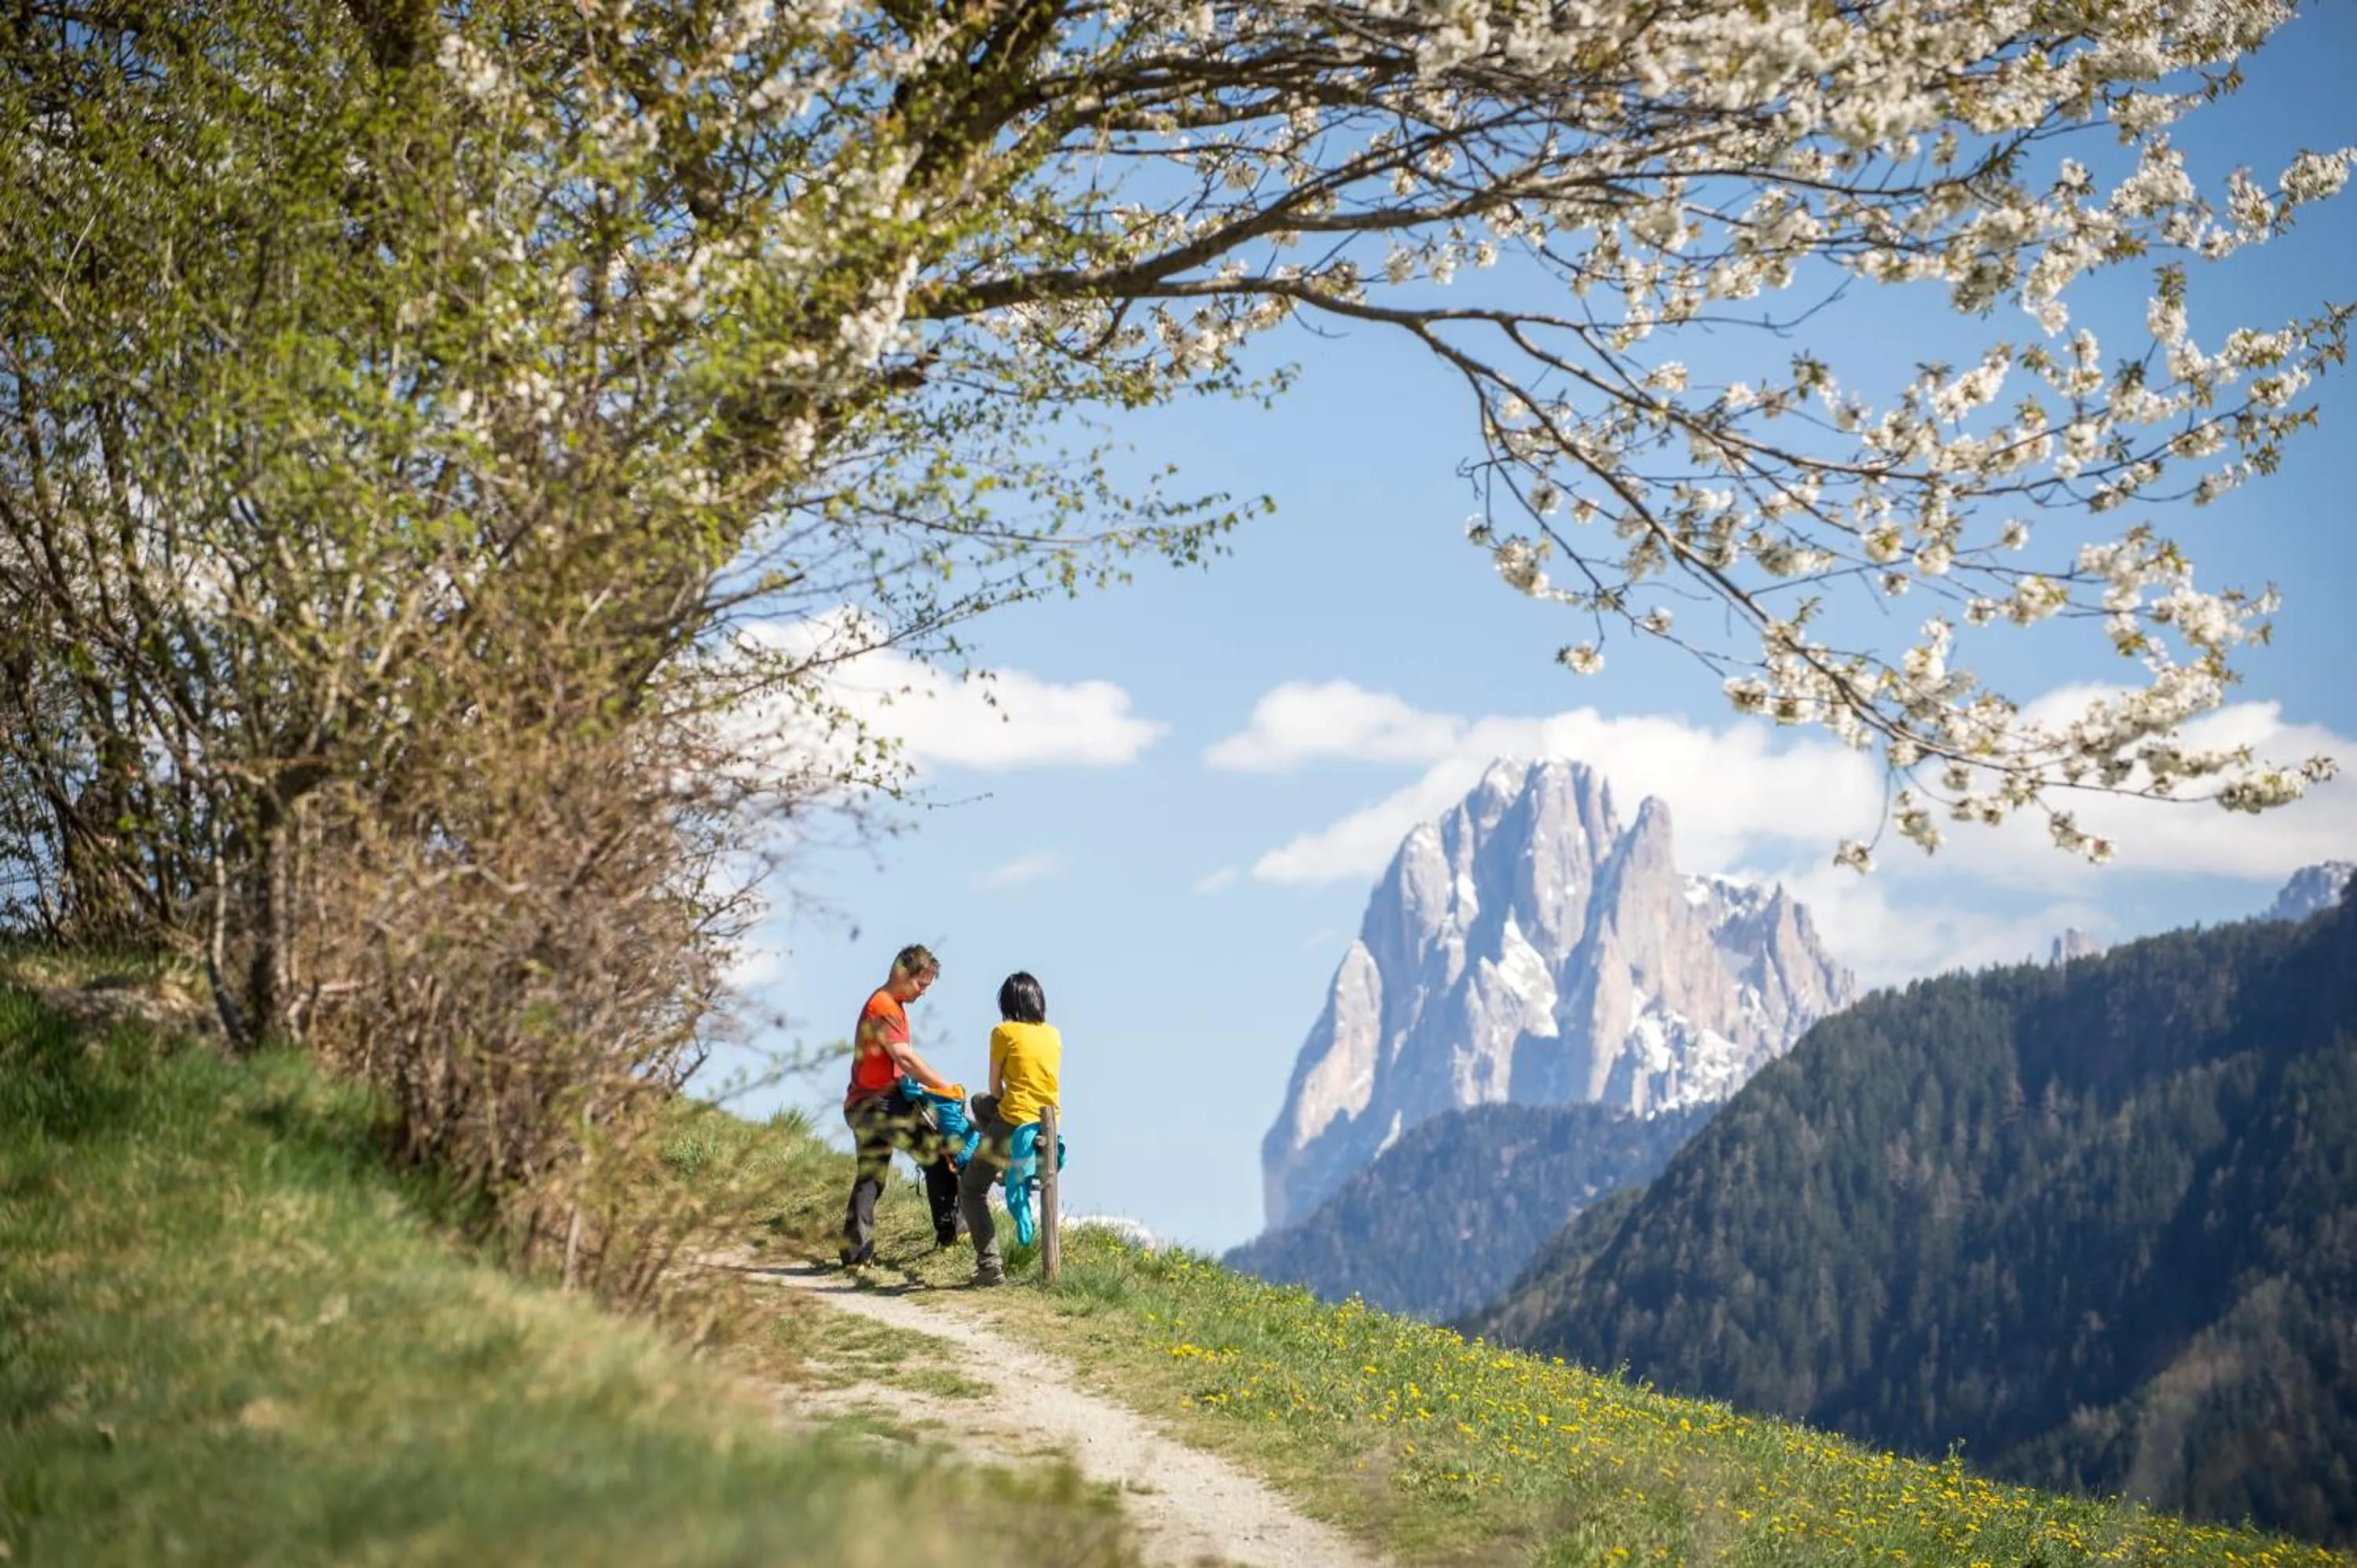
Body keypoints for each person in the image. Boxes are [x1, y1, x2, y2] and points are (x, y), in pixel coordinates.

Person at [840, 944, 964, 1267]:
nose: (923, 993)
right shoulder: (885, 1008)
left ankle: (855, 1253)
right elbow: (905, 1057)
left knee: (871, 1175)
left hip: (861, 1102)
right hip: (881, 1102)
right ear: (901, 974)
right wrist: (944, 1087)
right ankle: (953, 1231)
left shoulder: (886, 1004)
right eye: (921, 984)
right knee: (937, 1155)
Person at [959, 970, 1062, 1288]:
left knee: (972, 1190)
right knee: (980, 1103)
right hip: (1047, 1125)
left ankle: (990, 1267)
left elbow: (996, 1088)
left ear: (1007, 1003)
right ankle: (1006, 1166)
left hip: (1014, 1122)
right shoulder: (1053, 1034)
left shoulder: (1003, 1032)